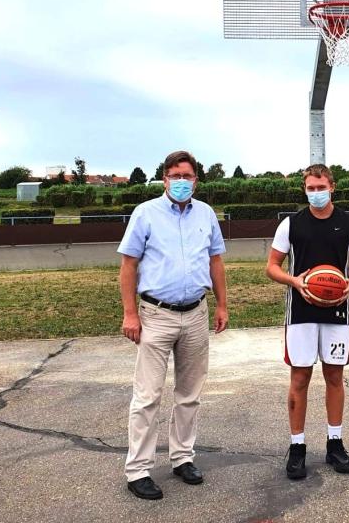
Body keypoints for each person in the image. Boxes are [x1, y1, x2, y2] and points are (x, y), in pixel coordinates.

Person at [118, 150, 229, 500]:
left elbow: (215, 261)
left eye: (188, 176)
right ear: (164, 179)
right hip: (156, 315)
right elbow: (128, 266)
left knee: (189, 394)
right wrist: (130, 313)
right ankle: (138, 470)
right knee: (147, 396)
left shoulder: (206, 214)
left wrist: (222, 304)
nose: (182, 181)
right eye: (175, 175)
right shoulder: (146, 213)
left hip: (195, 313)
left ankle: (182, 457)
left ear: (196, 180)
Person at [265, 164, 349, 480]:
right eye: (310, 188)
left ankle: (335, 443)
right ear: (305, 190)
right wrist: (295, 281)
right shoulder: (291, 224)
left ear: (332, 187)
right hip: (300, 311)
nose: (316, 193)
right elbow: (272, 266)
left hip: (337, 310)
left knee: (334, 375)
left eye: (321, 187)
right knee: (300, 377)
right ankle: (297, 446)